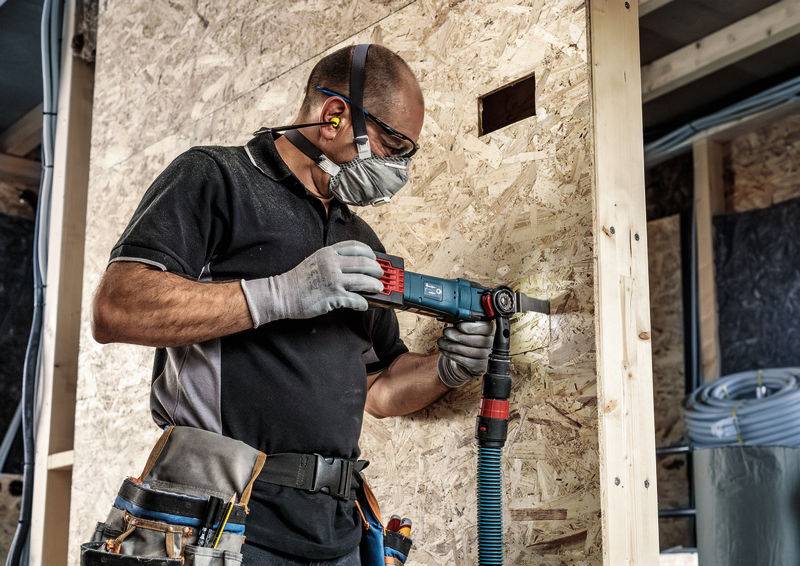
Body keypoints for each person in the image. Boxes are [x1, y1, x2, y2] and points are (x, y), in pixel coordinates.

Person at [91, 43, 492, 565]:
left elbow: (380, 388)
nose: (399, 169)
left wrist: (448, 368)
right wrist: (281, 293)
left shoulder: (360, 240)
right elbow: (117, 307)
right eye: (393, 145)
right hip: (220, 522)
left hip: (336, 531)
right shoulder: (218, 178)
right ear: (334, 115)